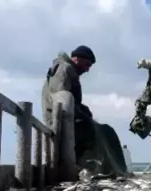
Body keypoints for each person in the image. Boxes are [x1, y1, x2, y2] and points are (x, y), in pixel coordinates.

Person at [41, 45, 127, 174]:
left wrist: (83, 109)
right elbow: (62, 100)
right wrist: (84, 116)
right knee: (100, 131)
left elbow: (71, 102)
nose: (87, 70)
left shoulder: (69, 70)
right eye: (87, 65)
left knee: (105, 130)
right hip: (59, 123)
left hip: (68, 120)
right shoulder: (64, 69)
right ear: (77, 59)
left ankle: (100, 169)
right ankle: (93, 168)